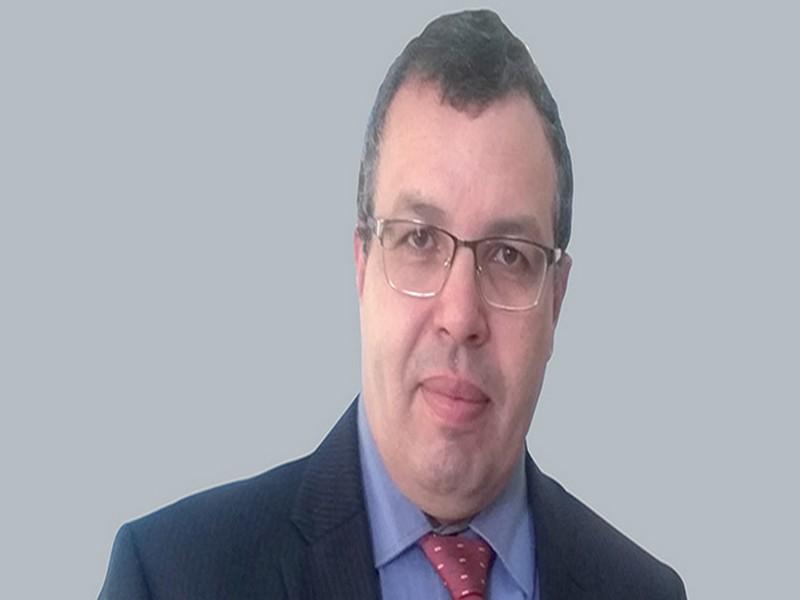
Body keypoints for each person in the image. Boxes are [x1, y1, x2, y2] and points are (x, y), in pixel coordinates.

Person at [99, 9, 686, 600]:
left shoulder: (645, 593)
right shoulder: (172, 578)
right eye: (420, 239)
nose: (460, 316)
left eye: (509, 255)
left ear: (555, 300)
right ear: (362, 263)